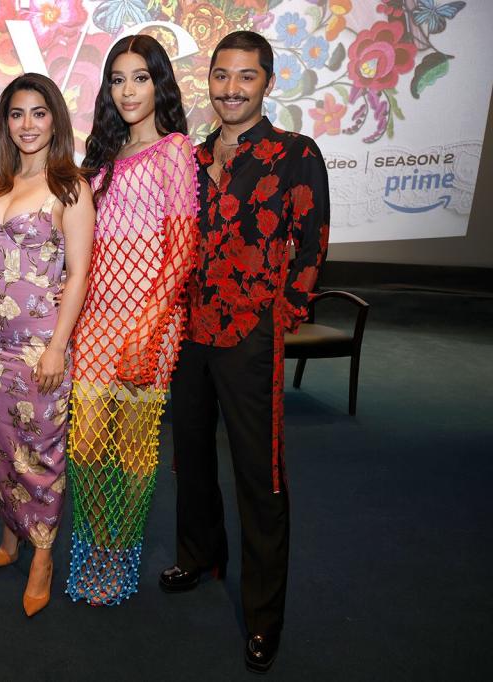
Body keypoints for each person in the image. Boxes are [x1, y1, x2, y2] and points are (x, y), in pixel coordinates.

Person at [158, 31, 330, 673]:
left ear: (267, 81)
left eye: (245, 77)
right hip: (189, 331)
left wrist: (278, 321)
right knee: (192, 455)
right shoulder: (192, 157)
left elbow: (311, 245)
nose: (231, 88)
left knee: (261, 476)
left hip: (250, 336)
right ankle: (199, 555)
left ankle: (263, 616)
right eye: (221, 75)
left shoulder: (295, 153)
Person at [66, 34, 198, 606]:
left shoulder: (175, 151)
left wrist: (149, 321)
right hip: (94, 318)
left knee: (134, 445)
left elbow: (182, 248)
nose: (127, 90)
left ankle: (120, 550)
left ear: (160, 83)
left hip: (150, 316)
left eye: (140, 77)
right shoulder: (97, 159)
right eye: (117, 79)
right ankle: (97, 541)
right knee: (87, 443)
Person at [0, 73, 94, 617]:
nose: (27, 124)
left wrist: (57, 347)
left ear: (56, 121)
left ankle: (43, 553)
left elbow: (77, 276)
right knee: (1, 444)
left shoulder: (70, 186)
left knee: (40, 450)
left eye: (38, 113)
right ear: (6, 123)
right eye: (17, 114)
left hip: (38, 344)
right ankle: (10, 532)